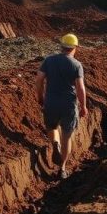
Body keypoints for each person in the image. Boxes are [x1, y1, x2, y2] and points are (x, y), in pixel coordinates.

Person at [35, 33, 88, 179]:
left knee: (52, 127)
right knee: (67, 136)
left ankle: (55, 144)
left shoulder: (49, 60)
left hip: (51, 102)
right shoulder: (76, 65)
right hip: (68, 105)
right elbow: (80, 88)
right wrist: (83, 106)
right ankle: (63, 168)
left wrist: (40, 97)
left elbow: (39, 80)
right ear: (75, 48)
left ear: (62, 46)